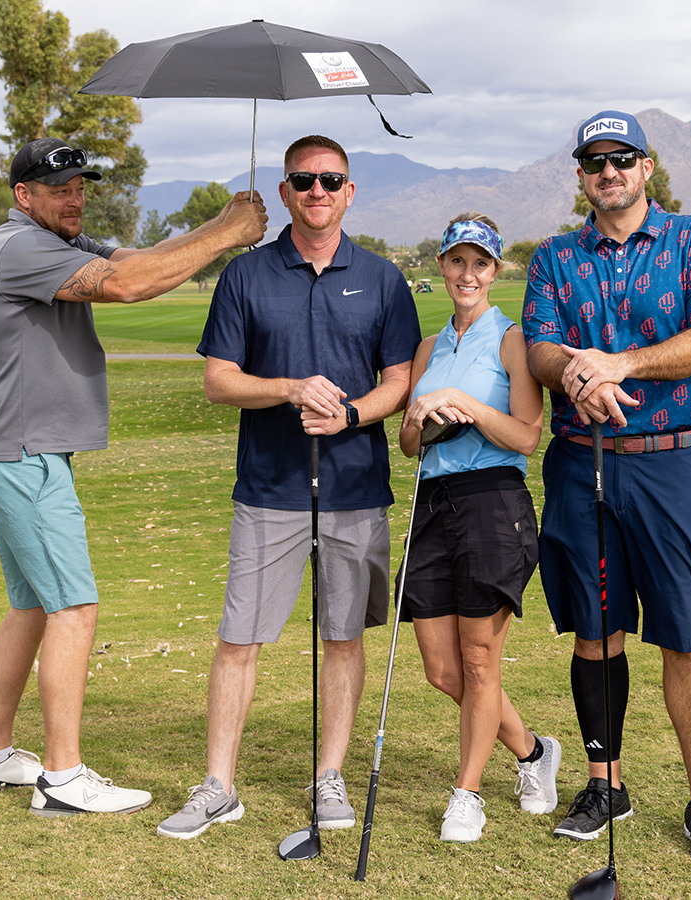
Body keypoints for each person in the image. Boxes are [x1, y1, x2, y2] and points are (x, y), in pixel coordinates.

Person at [0, 137, 267, 817]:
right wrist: (228, 239)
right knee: (74, 607)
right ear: (24, 196)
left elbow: (131, 258)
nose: (73, 199)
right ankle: (64, 779)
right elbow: (128, 285)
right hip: (24, 454)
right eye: (58, 188)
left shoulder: (44, 240)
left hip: (12, 451)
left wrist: (220, 225)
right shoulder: (20, 248)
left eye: (79, 188)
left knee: (35, 605)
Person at [156, 135, 421, 840]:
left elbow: (399, 382)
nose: (317, 192)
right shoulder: (246, 276)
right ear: (283, 192)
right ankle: (219, 785)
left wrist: (351, 415)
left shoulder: (385, 279)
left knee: (342, 636)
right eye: (303, 180)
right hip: (269, 489)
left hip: (356, 487)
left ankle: (328, 775)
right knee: (239, 638)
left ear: (350, 191)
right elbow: (218, 381)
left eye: (331, 180)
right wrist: (286, 389)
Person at [521, 111, 691, 863]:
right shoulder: (555, 256)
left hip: (673, 461)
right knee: (596, 626)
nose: (608, 171)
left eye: (622, 159)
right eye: (594, 161)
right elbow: (542, 349)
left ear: (646, 167)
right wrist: (577, 373)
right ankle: (604, 782)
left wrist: (620, 364)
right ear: (580, 175)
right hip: (583, 459)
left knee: (687, 633)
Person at [396, 213, 562, 842]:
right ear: (442, 266)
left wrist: (468, 407)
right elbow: (410, 446)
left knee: (479, 659)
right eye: (458, 261)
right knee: (443, 670)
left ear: (496, 271)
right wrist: (418, 416)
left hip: (494, 500)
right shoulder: (427, 349)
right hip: (433, 503)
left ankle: (466, 794)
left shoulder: (511, 340)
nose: (468, 274)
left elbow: (525, 434)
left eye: (481, 264)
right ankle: (531, 752)